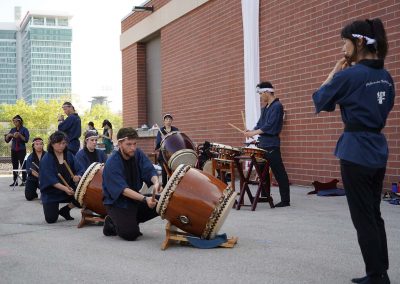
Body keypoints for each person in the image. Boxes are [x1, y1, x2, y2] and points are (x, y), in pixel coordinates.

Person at [312, 19, 394, 284]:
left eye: (345, 42)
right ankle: (380, 271)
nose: (342, 47)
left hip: (356, 150)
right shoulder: (385, 76)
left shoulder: (350, 75)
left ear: (359, 42)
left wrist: (333, 74)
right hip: (377, 149)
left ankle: (376, 276)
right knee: (374, 213)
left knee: (363, 217)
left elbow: (320, 99)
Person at [102, 127, 161, 241]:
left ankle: (129, 220)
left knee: (163, 203)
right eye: (129, 144)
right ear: (119, 144)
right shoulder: (112, 162)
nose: (133, 148)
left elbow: (149, 170)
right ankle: (112, 222)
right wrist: (145, 199)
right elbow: (123, 190)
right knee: (130, 234)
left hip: (134, 198)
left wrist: (156, 182)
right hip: (117, 203)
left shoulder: (137, 153)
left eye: (135, 144)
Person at [244, 82, 291, 208]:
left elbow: (269, 125)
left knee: (279, 172)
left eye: (260, 94)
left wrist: (255, 132)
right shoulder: (265, 108)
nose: (260, 96)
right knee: (262, 172)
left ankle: (285, 200)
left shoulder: (277, 106)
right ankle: (265, 195)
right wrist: (251, 131)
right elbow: (260, 124)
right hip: (263, 144)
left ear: (266, 92)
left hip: (272, 144)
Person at [39, 131, 82, 223]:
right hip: (51, 192)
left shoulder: (69, 155)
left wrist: (77, 176)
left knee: (83, 195)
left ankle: (66, 210)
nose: (62, 146)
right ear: (52, 144)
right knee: (51, 219)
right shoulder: (46, 159)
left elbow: (79, 168)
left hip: (68, 188)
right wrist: (65, 188)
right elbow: (51, 180)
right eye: (59, 143)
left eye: (64, 143)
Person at [4, 115, 30, 187]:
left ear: (20, 121)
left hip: (21, 150)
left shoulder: (25, 129)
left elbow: (26, 140)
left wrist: (20, 135)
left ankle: (24, 180)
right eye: (13, 121)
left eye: (16, 121)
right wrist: (7, 136)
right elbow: (7, 141)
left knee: (23, 165)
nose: (14, 122)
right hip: (14, 150)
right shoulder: (12, 129)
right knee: (14, 165)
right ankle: (15, 181)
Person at [155, 114, 179, 186]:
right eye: (166, 120)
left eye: (169, 119)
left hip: (172, 154)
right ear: (164, 121)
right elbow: (158, 142)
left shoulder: (175, 130)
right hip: (164, 154)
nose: (168, 121)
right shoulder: (161, 131)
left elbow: (178, 140)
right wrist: (163, 139)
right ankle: (164, 186)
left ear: (171, 121)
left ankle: (172, 186)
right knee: (164, 171)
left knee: (173, 170)